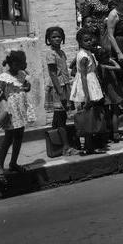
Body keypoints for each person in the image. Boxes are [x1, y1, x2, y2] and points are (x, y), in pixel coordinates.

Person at [0, 50, 35, 184]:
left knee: (19, 136)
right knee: (8, 138)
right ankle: (0, 166)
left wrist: (27, 87)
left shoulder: (22, 74)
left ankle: (13, 163)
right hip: (10, 111)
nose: (22, 66)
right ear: (12, 63)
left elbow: (26, 87)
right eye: (20, 63)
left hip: (20, 109)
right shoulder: (3, 77)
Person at [43, 26, 81, 156]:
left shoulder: (61, 52)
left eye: (59, 36)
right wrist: (60, 93)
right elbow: (53, 74)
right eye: (53, 37)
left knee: (58, 117)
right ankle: (66, 147)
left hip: (65, 85)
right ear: (48, 39)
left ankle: (55, 144)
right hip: (58, 88)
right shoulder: (51, 54)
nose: (57, 39)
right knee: (61, 118)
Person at [70, 29, 107, 155]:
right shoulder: (84, 56)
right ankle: (89, 145)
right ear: (80, 42)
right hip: (87, 85)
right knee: (89, 115)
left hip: (91, 82)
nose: (89, 42)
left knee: (92, 115)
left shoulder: (87, 53)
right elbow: (84, 77)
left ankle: (89, 145)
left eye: (90, 39)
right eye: (85, 40)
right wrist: (87, 96)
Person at [94, 46, 123, 143]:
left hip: (106, 91)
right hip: (111, 91)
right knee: (115, 112)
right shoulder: (105, 66)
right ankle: (115, 133)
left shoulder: (98, 67)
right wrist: (111, 61)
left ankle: (109, 133)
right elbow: (118, 67)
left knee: (107, 113)